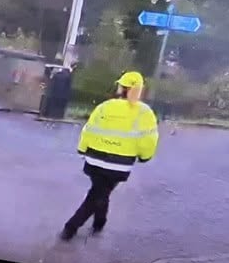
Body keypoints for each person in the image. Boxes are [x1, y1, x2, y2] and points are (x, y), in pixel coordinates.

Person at [63, 69, 159, 241]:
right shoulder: (144, 112)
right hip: (118, 165)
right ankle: (71, 226)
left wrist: (82, 149)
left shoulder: (104, 106)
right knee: (98, 194)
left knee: (100, 191)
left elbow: (88, 130)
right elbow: (149, 139)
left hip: (93, 160)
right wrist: (145, 156)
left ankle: (99, 222)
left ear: (121, 87)